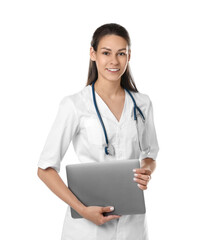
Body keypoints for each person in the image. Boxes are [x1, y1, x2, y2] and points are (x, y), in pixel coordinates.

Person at [37, 23, 159, 240]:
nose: (114, 61)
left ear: (129, 56)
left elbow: (150, 154)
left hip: (133, 227)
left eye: (121, 53)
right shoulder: (74, 105)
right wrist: (82, 210)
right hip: (87, 227)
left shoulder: (142, 103)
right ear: (93, 54)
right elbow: (45, 169)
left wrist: (146, 171)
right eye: (106, 53)